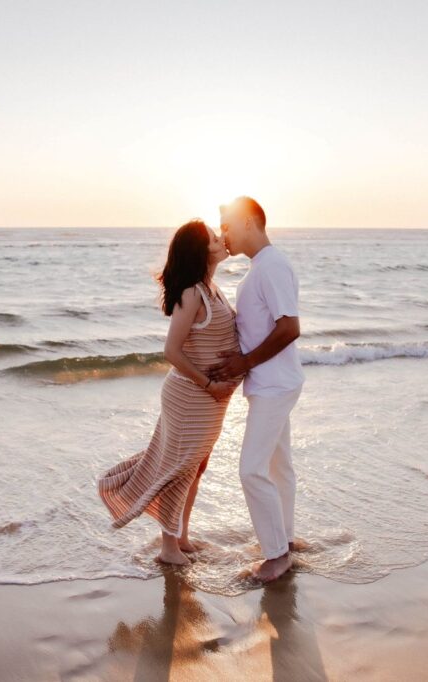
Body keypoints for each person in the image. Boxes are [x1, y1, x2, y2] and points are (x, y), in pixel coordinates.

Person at [97, 220, 240, 565]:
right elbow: (172, 351)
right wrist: (209, 385)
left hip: (211, 398)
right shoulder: (192, 292)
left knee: (196, 466)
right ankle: (168, 548)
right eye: (213, 238)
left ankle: (182, 537)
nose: (222, 240)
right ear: (199, 250)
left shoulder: (212, 286)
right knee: (180, 467)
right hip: (191, 395)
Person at [208, 196, 306, 583]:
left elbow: (289, 327)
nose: (223, 235)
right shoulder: (261, 268)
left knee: (250, 470)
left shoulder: (272, 266)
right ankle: (285, 539)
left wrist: (245, 363)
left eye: (228, 226)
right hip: (272, 382)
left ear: (249, 222)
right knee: (280, 467)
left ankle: (277, 555)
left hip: (274, 384)